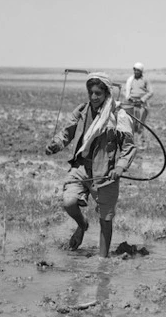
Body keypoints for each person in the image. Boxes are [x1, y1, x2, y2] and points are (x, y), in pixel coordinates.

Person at [45, 72, 137, 258]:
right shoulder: (81, 111)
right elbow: (67, 133)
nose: (94, 97)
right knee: (69, 202)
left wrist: (120, 167)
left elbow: (129, 146)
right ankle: (82, 224)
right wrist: (55, 145)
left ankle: (103, 261)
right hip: (80, 168)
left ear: (107, 94)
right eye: (91, 93)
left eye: (98, 94)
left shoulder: (118, 116)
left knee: (106, 219)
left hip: (105, 173)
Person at [122, 62, 154, 149]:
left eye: (138, 70)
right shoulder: (130, 80)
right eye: (135, 70)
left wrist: (142, 99)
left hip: (141, 105)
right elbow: (125, 91)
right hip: (131, 104)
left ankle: (141, 144)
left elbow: (151, 92)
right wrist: (129, 98)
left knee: (140, 125)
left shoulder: (145, 80)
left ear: (141, 71)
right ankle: (129, 144)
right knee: (130, 124)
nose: (136, 72)